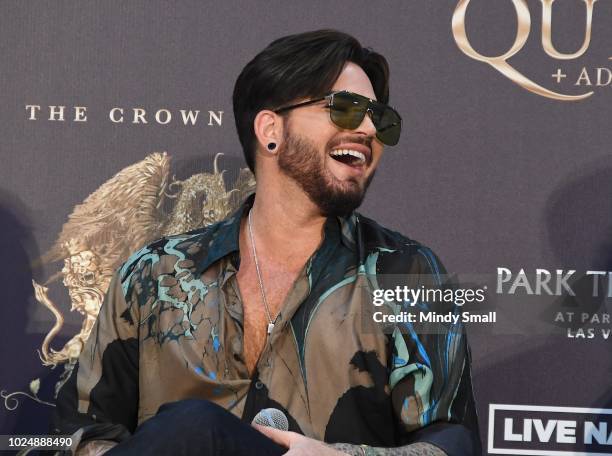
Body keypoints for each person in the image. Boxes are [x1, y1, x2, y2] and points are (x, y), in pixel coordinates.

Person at [52, 30, 481, 456]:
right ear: (270, 129)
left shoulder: (405, 272)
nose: (370, 129)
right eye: (347, 110)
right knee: (193, 427)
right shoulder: (154, 273)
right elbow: (82, 431)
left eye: (381, 118)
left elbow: (452, 443)